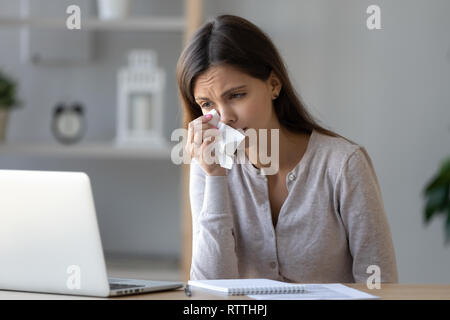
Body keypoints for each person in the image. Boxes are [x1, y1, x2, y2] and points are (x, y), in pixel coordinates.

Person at [176, 14, 398, 283]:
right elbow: (208, 289)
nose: (224, 117)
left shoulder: (343, 164)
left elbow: (380, 285)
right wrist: (214, 177)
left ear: (273, 85)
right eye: (207, 104)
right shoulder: (210, 169)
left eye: (236, 95)